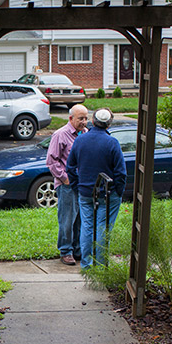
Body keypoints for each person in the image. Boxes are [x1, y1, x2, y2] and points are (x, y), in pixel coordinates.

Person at [66, 108, 126, 269]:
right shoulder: (112, 142)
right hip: (107, 193)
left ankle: (86, 263)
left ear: (93, 120)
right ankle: (100, 265)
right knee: (103, 227)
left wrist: (76, 186)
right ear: (109, 123)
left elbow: (70, 167)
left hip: (85, 192)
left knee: (87, 226)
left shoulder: (80, 140)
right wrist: (118, 191)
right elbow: (121, 172)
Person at [47, 104, 89, 265]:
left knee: (80, 218)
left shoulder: (85, 134)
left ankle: (77, 249)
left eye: (86, 118)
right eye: (80, 118)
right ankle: (66, 250)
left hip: (82, 184)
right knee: (67, 219)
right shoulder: (61, 135)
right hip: (66, 185)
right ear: (70, 118)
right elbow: (51, 161)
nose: (84, 122)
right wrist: (65, 179)